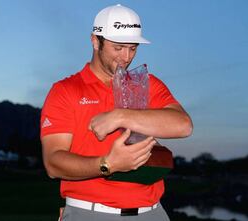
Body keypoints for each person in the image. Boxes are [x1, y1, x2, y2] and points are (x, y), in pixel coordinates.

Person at [40, 4, 193, 221]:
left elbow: (183, 125)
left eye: (133, 48)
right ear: (95, 41)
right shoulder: (66, 90)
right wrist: (108, 164)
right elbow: (53, 163)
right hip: (90, 213)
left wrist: (120, 115)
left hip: (152, 213)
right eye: (118, 48)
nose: (126, 57)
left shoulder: (146, 83)